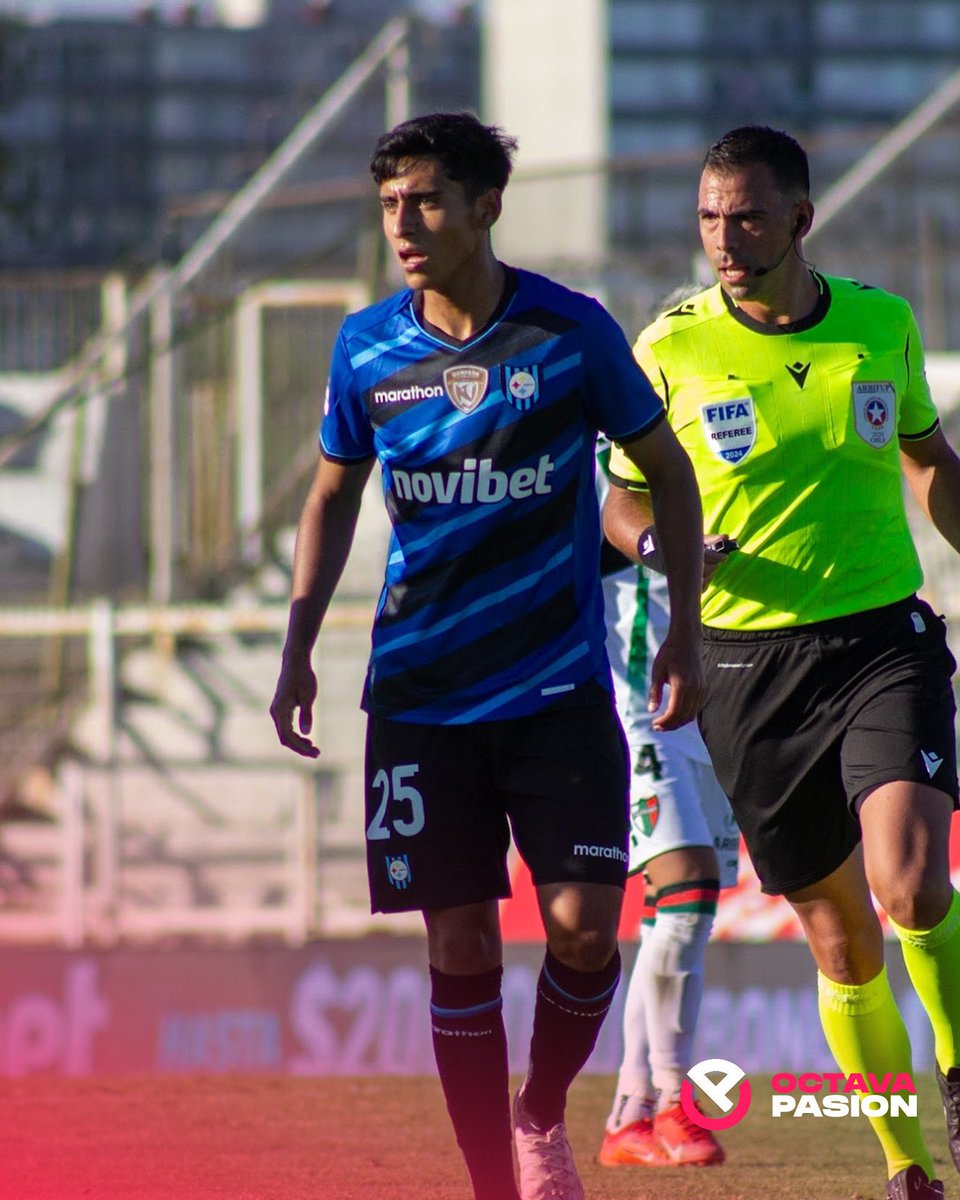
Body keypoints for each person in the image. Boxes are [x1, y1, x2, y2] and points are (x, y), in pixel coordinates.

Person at [269, 111, 705, 1200]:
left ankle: (541, 1114)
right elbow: (332, 494)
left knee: (584, 931)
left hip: (557, 688)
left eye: (423, 200)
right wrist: (297, 644)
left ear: (483, 206)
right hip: (419, 695)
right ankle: (491, 1186)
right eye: (388, 205)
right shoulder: (368, 346)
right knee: (460, 948)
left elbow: (669, 474)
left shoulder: (571, 334)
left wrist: (686, 625)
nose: (403, 224)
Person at [602, 123, 960, 1200]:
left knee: (910, 879)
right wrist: (662, 541)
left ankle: (956, 1071)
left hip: (878, 640)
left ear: (800, 220)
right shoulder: (665, 348)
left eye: (748, 215)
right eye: (711, 216)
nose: (725, 235)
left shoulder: (880, 326)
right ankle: (907, 1167)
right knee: (843, 944)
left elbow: (929, 462)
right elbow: (621, 499)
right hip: (747, 671)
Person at [596, 432, 739, 1169]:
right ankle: (677, 1101)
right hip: (641, 704)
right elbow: (591, 541)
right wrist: (666, 547)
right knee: (686, 894)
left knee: (680, 917)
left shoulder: (716, 426)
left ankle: (631, 1114)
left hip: (724, 695)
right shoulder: (600, 447)